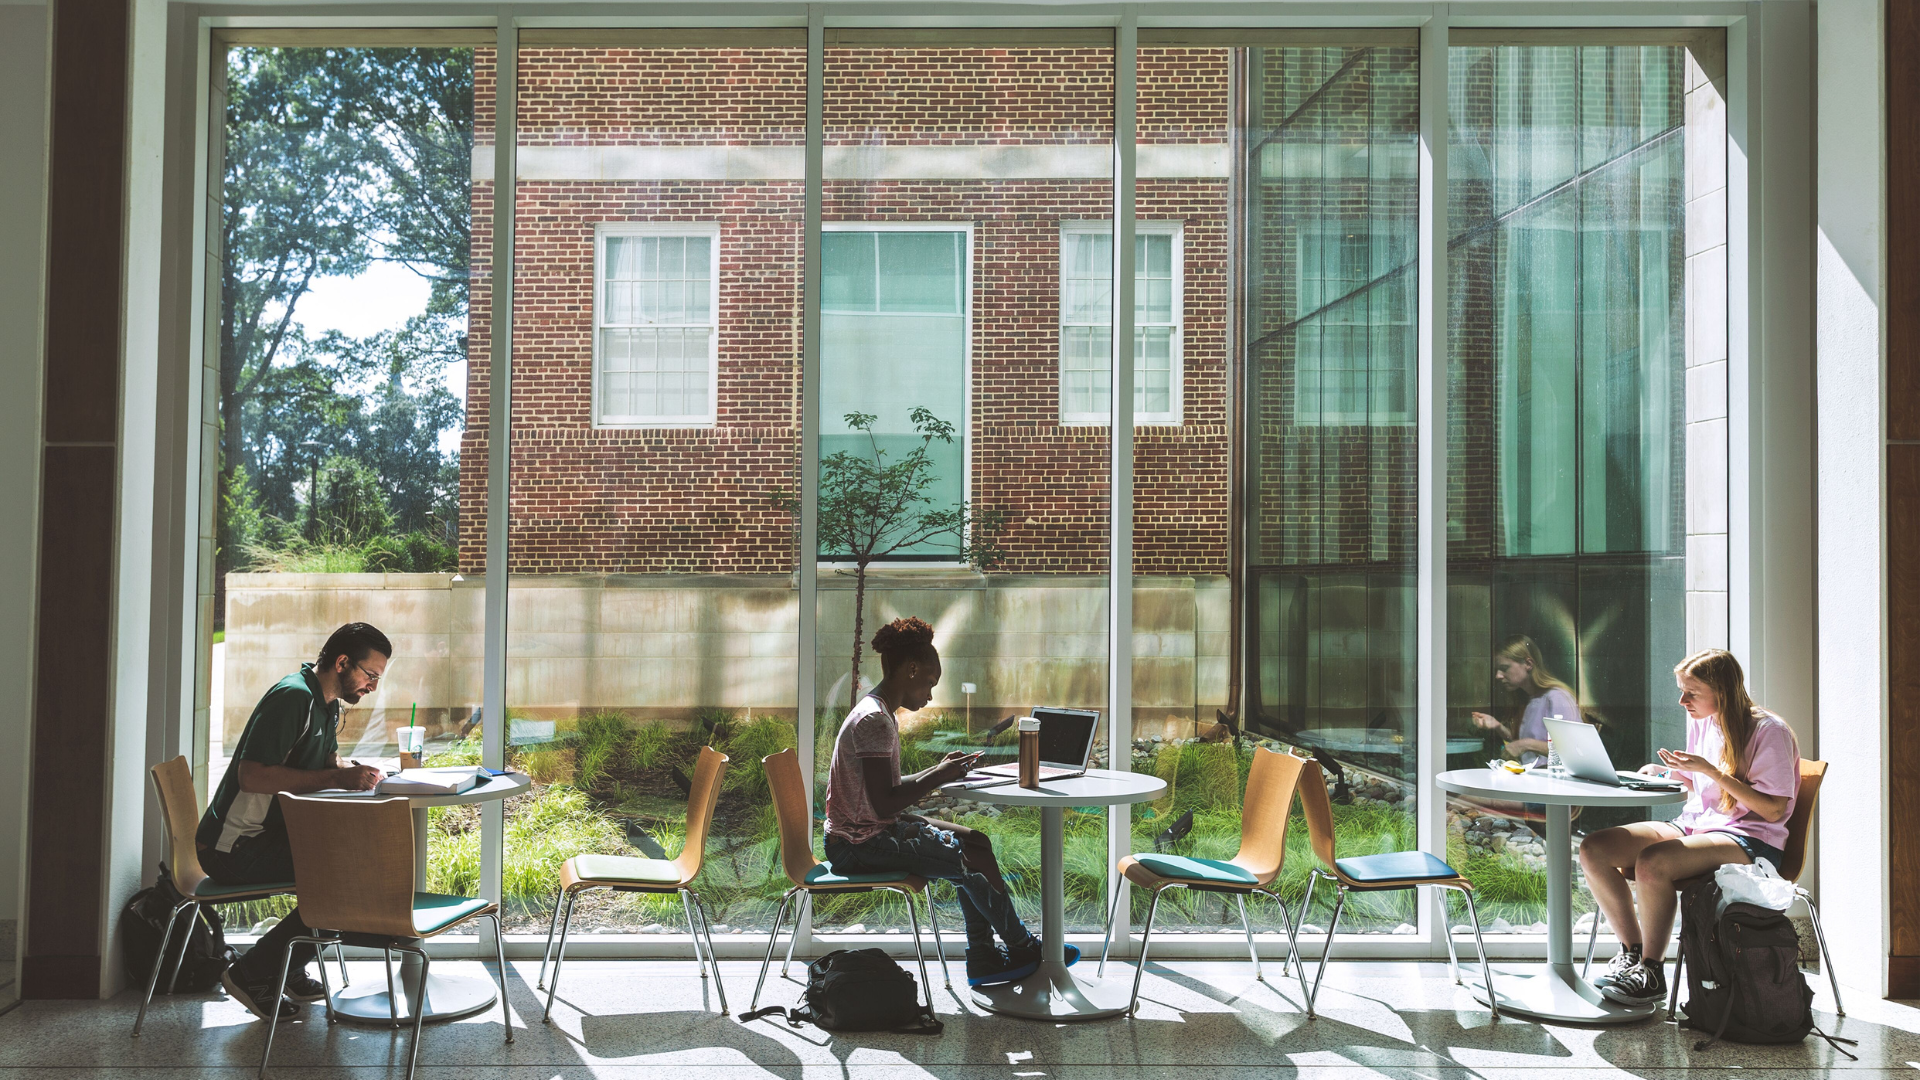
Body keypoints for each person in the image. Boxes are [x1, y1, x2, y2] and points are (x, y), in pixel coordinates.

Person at [822, 616, 1074, 987]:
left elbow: (883, 789)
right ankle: (1019, 947)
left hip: (866, 833)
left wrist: (938, 769)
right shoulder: (874, 720)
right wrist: (938, 777)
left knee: (976, 842)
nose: (930, 695)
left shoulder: (877, 712)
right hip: (858, 844)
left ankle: (986, 956)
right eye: (929, 683)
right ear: (910, 670)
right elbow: (884, 805)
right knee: (969, 859)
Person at [1576, 648, 1800, 1006]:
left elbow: (1772, 811)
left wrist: (1711, 771)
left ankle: (1652, 970)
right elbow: (1699, 784)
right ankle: (1633, 955)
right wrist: (1664, 773)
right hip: (1698, 824)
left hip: (1751, 838)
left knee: (1653, 861)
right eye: (1682, 690)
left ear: (1723, 691)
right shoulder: (1705, 721)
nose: (1682, 701)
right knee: (1595, 849)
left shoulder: (1768, 731)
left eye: (1691, 693)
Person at [197, 622, 390, 1021]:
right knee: (344, 879)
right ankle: (253, 972)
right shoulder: (293, 698)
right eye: (370, 675)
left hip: (262, 841)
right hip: (232, 849)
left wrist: (354, 769)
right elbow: (252, 776)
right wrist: (337, 777)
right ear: (341, 662)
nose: (373, 687)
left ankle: (287, 964)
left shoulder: (326, 703)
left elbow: (322, 762)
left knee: (354, 865)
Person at [1470, 635, 1582, 765]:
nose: (1498, 676)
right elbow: (1521, 744)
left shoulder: (1557, 697)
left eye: (1504, 668)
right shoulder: (1532, 698)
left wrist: (1524, 745)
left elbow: (1572, 750)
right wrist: (1497, 726)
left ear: (1528, 664)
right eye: (1497, 670)